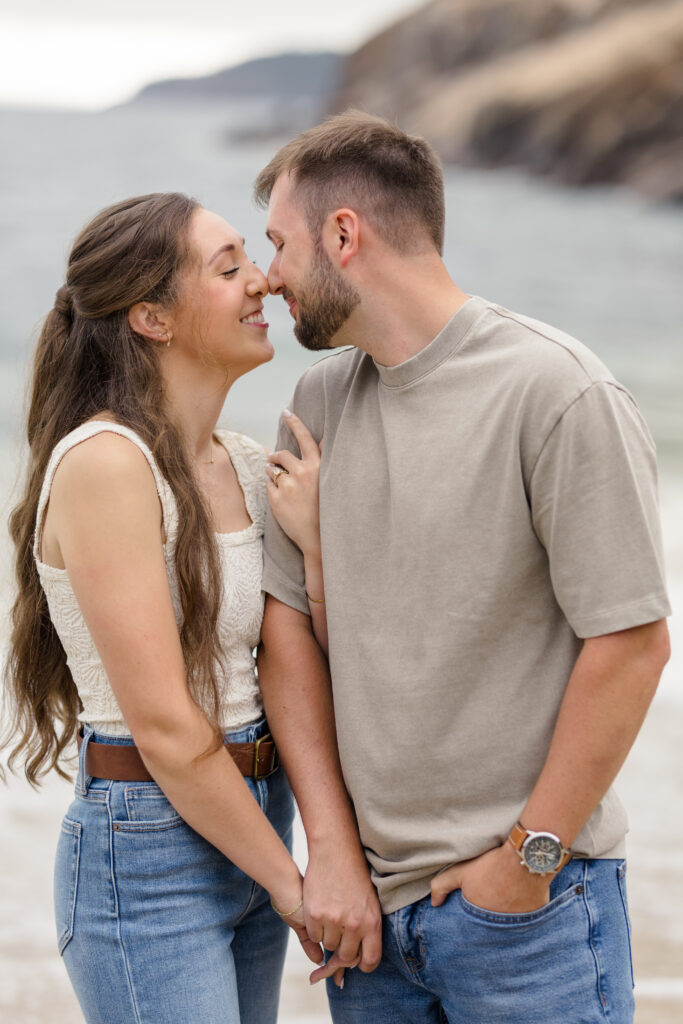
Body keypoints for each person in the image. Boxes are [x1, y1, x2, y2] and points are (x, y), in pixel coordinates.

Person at [253, 112, 672, 1023]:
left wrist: (526, 863)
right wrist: (329, 850)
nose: (266, 275)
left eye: (279, 243)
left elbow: (632, 644)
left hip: (530, 918)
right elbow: (285, 634)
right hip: (365, 925)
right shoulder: (318, 398)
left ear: (343, 234)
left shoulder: (555, 390)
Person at [1, 192, 334, 1024]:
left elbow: (303, 658)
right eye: (228, 269)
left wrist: (320, 548)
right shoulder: (106, 465)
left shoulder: (252, 466)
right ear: (151, 316)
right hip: (149, 843)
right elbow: (166, 726)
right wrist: (294, 888)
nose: (260, 281)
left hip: (256, 814)